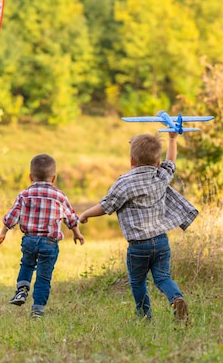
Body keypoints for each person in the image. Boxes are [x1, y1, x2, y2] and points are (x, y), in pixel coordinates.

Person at [79, 132, 198, 323]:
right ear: (157, 163)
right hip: (160, 241)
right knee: (162, 277)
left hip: (138, 246)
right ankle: (176, 298)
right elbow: (171, 162)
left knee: (137, 282)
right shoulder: (161, 176)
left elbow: (107, 205)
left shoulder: (124, 183)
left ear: (131, 160)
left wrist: (85, 214)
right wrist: (173, 139)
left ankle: (144, 317)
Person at [0, 153, 84, 318]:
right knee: (44, 276)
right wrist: (77, 234)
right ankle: (37, 310)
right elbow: (71, 218)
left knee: (27, 265)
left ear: (30, 176)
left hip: (29, 240)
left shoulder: (25, 195)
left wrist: (3, 233)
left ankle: (21, 290)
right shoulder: (60, 196)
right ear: (54, 178)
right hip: (49, 243)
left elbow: (12, 216)